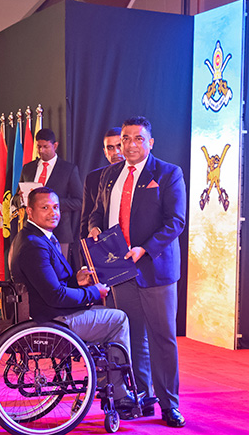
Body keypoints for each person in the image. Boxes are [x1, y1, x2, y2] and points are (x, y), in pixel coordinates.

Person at [88, 116, 187, 428]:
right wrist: (94, 228)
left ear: (150, 142)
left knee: (162, 338)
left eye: (138, 139)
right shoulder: (108, 175)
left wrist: (145, 248)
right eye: (125, 139)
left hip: (155, 268)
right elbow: (97, 212)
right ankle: (139, 397)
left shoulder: (168, 173)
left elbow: (176, 221)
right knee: (128, 337)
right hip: (118, 269)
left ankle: (169, 404)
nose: (130, 145)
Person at [9, 186, 136, 407]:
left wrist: (77, 280)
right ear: (29, 211)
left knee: (106, 315)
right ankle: (118, 394)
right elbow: (55, 296)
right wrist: (94, 292)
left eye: (56, 207)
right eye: (45, 208)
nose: (53, 213)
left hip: (50, 313)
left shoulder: (36, 238)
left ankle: (106, 382)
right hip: (52, 321)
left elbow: (49, 284)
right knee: (118, 319)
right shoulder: (34, 245)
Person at [19, 128, 83, 258]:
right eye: (39, 147)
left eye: (45, 147)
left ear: (55, 145)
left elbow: (79, 201)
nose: (41, 151)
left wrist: (52, 204)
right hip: (31, 232)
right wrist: (21, 199)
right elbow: (16, 197)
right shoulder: (28, 168)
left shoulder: (68, 169)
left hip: (59, 232)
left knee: (58, 269)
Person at [80, 127, 124, 239]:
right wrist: (84, 246)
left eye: (119, 146)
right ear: (105, 152)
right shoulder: (93, 178)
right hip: (103, 241)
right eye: (110, 148)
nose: (116, 152)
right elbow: (86, 216)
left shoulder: (138, 174)